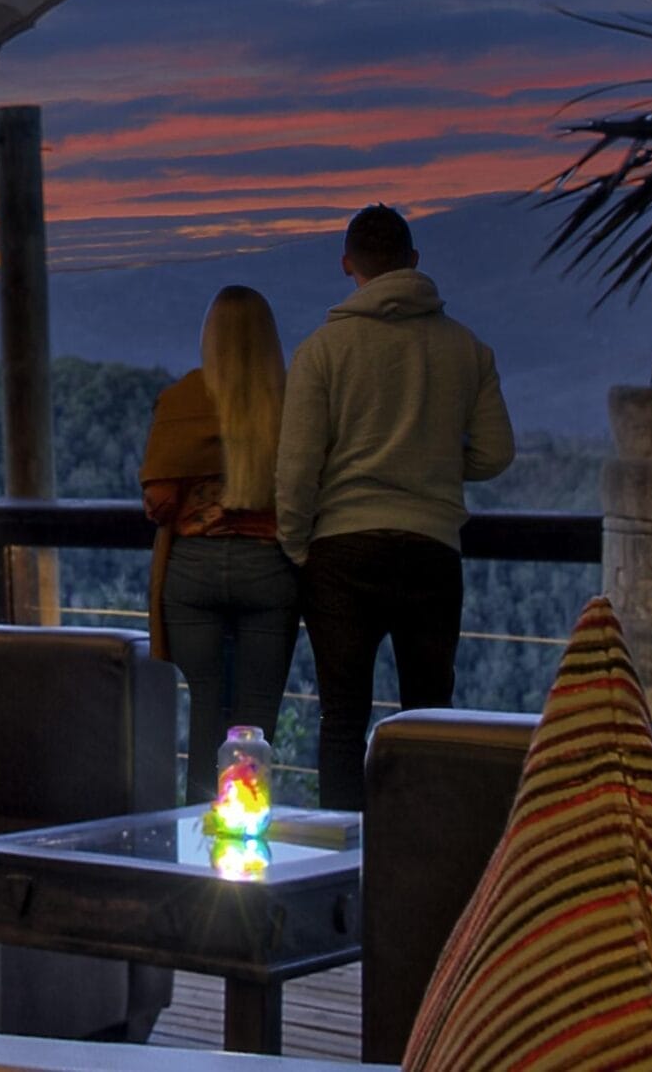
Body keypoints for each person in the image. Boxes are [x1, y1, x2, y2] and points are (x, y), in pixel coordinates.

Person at [276, 204, 514, 809]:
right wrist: (430, 461)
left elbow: (298, 467)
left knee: (341, 720)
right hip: (432, 549)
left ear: (347, 265)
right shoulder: (469, 350)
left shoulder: (322, 351)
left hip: (340, 552)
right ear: (413, 262)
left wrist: (298, 547)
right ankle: (424, 854)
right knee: (430, 720)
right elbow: (495, 453)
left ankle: (343, 868)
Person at [140, 285, 301, 804]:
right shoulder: (293, 401)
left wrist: (204, 501)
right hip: (269, 570)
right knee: (256, 718)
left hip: (192, 573)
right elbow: (309, 490)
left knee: (206, 707)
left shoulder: (182, 400)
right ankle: (249, 834)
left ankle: (201, 840)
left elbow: (160, 502)